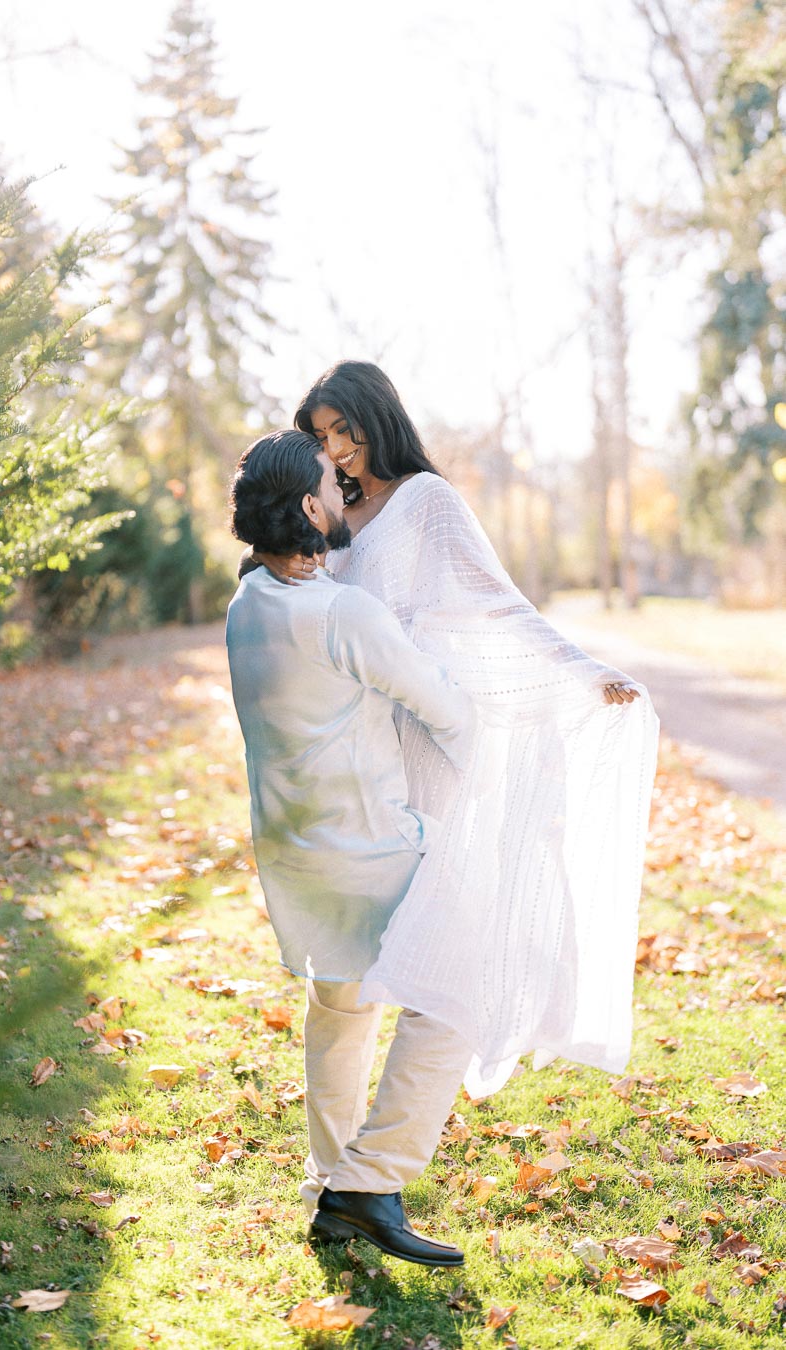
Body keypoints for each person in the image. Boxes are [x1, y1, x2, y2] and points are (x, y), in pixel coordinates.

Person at [249, 360, 660, 1099]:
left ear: (378, 418)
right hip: (357, 745)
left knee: (441, 925)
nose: (337, 450)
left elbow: (495, 600)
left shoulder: (425, 500)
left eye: (345, 430)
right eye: (322, 437)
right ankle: (351, 1162)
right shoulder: (328, 517)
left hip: (429, 731)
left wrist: (582, 667)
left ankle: (398, 1126)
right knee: (352, 965)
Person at [226, 428, 480, 1268]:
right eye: (333, 485)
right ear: (308, 508)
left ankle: (327, 1187)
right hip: (368, 852)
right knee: (455, 994)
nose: (346, 494)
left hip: (294, 857)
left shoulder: (248, 602)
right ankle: (369, 1182)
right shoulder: (344, 612)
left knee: (341, 1009)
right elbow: (446, 709)